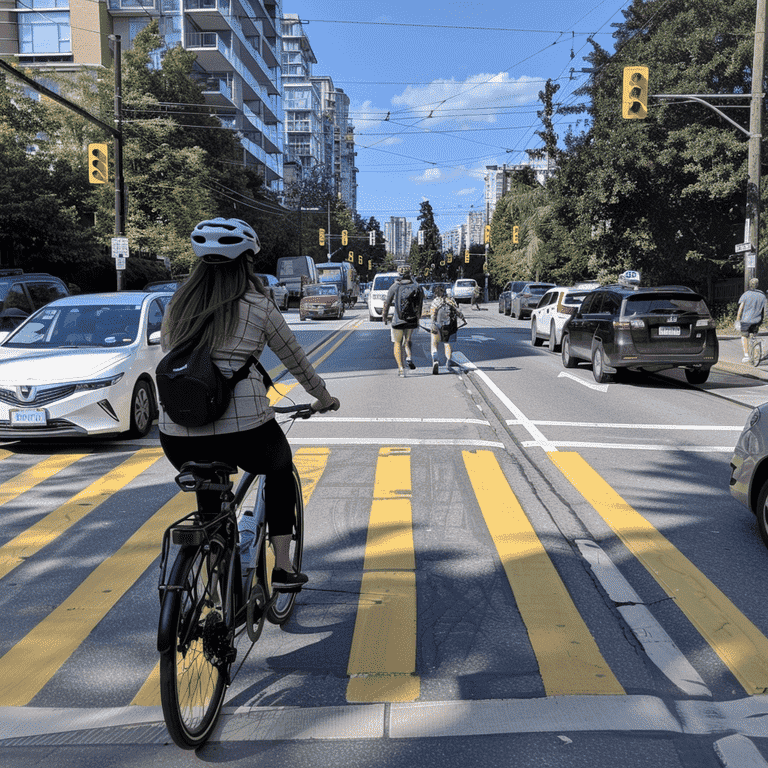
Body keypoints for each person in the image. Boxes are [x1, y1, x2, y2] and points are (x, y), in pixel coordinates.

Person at [158, 218, 339, 591]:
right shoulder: (258, 304)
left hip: (176, 432)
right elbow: (295, 359)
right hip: (243, 431)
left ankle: (218, 583)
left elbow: (170, 354)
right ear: (246, 264)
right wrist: (323, 398)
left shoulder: (178, 303)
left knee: (212, 504)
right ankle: (284, 568)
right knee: (279, 466)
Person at [382, 264, 424, 377]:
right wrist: (418, 317)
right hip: (411, 320)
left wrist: (384, 317)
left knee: (397, 343)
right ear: (410, 274)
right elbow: (420, 304)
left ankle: (401, 369)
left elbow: (386, 303)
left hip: (397, 320)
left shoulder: (395, 286)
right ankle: (409, 357)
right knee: (408, 340)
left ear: (399, 274)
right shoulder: (417, 286)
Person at [430, 284, 464, 374]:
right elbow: (458, 312)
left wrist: (432, 324)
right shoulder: (450, 300)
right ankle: (448, 361)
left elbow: (432, 314)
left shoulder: (435, 301)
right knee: (447, 343)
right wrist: (463, 319)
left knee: (434, 343)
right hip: (448, 326)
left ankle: (435, 360)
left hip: (437, 325)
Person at [736, 277, 767, 362]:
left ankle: (746, 355)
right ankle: (755, 349)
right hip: (757, 320)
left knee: (744, 336)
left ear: (750, 285)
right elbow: (765, 309)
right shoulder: (762, 296)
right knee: (753, 335)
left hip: (746, 320)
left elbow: (741, 308)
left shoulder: (746, 294)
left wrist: (738, 320)